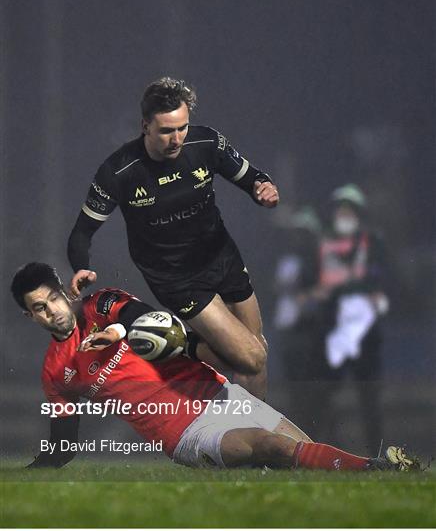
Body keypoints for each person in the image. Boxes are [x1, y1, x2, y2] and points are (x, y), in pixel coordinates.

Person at [10, 262, 418, 472]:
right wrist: (31, 471)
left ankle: (377, 475)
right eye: (39, 309)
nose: (52, 312)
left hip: (221, 394)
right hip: (184, 432)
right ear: (31, 317)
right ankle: (378, 468)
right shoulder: (55, 372)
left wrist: (117, 331)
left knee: (302, 458)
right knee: (273, 448)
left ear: (65, 292)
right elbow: (63, 443)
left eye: (53, 299)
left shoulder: (101, 304)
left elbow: (148, 320)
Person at [67, 78, 280, 400]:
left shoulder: (207, 142)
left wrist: (263, 188)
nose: (176, 138)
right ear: (145, 126)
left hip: (222, 257)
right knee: (252, 357)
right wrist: (80, 266)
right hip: (177, 278)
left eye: (182, 128)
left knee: (255, 353)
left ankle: (261, 443)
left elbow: (253, 178)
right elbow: (82, 231)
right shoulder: (119, 171)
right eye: (166, 131)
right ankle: (180, 345)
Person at [285, 185, 390, 451]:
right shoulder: (322, 244)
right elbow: (306, 283)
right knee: (322, 395)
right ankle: (323, 448)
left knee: (369, 396)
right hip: (330, 331)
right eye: (340, 208)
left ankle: (376, 452)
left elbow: (382, 280)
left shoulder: (373, 242)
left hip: (364, 334)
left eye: (349, 209)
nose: (344, 213)